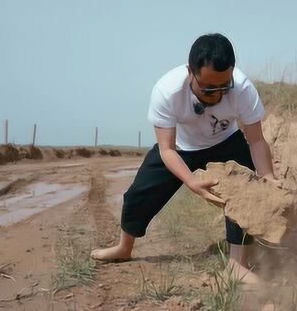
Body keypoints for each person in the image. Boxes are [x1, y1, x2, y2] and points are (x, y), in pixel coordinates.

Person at [90, 33, 276, 283]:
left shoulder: (242, 89)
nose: (217, 95)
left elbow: (255, 140)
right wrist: (190, 181)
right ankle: (124, 248)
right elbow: (167, 149)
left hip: (225, 142)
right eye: (208, 88)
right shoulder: (166, 91)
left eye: (224, 86)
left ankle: (237, 264)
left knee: (245, 190)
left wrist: (267, 176)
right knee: (138, 194)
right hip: (180, 148)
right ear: (191, 72)